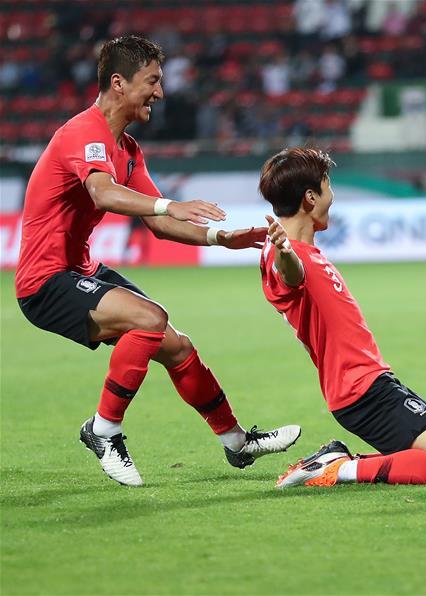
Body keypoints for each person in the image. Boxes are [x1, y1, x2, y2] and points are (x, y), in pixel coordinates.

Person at [14, 36, 301, 487]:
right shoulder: (83, 133)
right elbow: (104, 193)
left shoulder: (127, 149)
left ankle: (236, 442)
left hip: (81, 272)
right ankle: (104, 429)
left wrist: (223, 238)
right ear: (118, 83)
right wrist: (169, 205)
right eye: (152, 81)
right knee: (149, 319)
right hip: (44, 282)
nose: (160, 92)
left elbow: (163, 226)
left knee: (177, 347)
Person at [256, 147, 426, 488]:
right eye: (328, 187)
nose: (333, 196)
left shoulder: (303, 250)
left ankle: (332, 462)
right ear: (310, 197)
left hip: (369, 384)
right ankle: (335, 469)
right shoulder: (283, 255)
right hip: (361, 390)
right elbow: (291, 275)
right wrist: (284, 252)